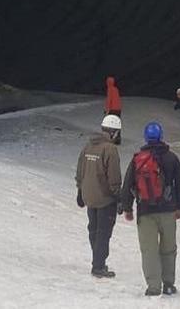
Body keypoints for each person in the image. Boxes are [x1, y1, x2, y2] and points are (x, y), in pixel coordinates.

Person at [119, 121, 180, 296]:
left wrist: (128, 208)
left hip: (145, 211)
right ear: (161, 136)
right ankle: (169, 284)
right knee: (168, 248)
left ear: (146, 137)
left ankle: (153, 287)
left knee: (149, 250)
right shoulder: (171, 158)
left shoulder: (138, 159)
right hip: (167, 210)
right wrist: (179, 206)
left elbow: (127, 184)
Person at [75, 114, 123, 278]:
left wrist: (80, 191)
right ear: (114, 132)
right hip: (105, 198)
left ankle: (97, 260)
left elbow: (80, 170)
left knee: (93, 230)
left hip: (89, 196)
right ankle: (98, 266)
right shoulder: (110, 149)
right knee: (104, 232)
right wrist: (119, 197)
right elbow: (114, 177)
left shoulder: (88, 146)